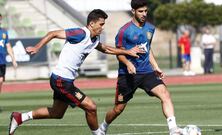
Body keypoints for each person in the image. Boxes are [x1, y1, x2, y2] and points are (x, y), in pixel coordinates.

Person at [8, 9, 144, 135]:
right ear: (91, 24)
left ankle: (19, 117)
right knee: (91, 107)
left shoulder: (94, 39)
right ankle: (98, 133)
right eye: (101, 24)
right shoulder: (80, 33)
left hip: (64, 80)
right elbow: (53, 33)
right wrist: (37, 47)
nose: (103, 27)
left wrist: (128, 52)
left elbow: (107, 49)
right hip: (61, 80)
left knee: (57, 112)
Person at [99, 0, 183, 135]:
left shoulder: (150, 28)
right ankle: (103, 126)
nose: (144, 14)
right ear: (133, 11)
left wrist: (156, 67)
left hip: (147, 72)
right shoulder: (124, 31)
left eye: (145, 11)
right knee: (118, 109)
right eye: (140, 11)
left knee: (165, 94)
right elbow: (119, 53)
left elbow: (148, 49)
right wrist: (128, 63)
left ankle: (173, 130)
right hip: (127, 74)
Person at [0, 14, 18, 93]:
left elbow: (8, 46)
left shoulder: (4, 32)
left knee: (0, 81)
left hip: (2, 61)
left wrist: (13, 59)